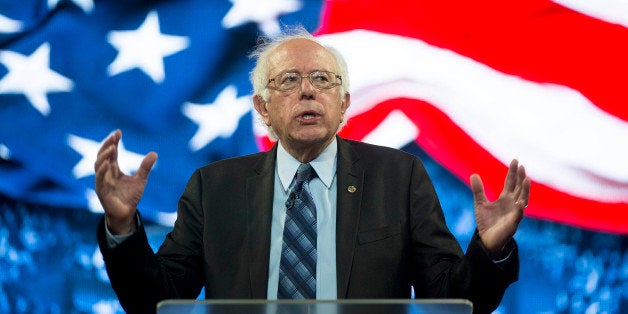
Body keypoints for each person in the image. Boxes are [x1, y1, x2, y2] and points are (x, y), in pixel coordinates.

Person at [95, 28, 530, 314]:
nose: (307, 90)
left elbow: (451, 299)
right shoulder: (215, 187)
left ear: (343, 104)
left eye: (323, 80)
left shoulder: (399, 177)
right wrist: (120, 226)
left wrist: (489, 249)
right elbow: (157, 300)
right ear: (263, 109)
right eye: (289, 81)